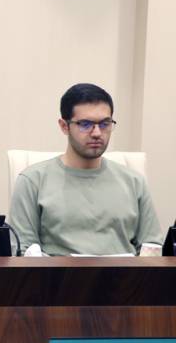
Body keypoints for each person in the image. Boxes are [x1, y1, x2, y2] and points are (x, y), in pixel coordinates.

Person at [8, 83, 162, 256]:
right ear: (64, 126)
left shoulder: (134, 182)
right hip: (58, 273)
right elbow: (23, 251)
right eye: (85, 124)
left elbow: (153, 248)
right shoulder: (33, 181)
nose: (97, 133)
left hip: (126, 273)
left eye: (105, 124)